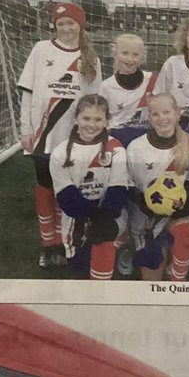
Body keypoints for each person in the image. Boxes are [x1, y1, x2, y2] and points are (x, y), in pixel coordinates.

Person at [17, 2, 102, 269]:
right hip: (43, 136)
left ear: (80, 25)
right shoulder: (42, 49)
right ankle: (47, 245)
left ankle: (64, 242)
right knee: (45, 188)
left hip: (73, 139)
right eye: (60, 23)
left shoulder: (91, 59)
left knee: (64, 189)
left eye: (71, 23)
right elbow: (27, 92)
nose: (65, 28)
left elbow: (94, 104)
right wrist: (26, 129)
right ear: (55, 26)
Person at [49, 95, 128, 281]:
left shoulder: (116, 148)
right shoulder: (61, 152)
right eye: (86, 118)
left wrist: (102, 220)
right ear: (76, 118)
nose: (91, 125)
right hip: (77, 216)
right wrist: (91, 219)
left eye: (98, 119)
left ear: (107, 121)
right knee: (80, 268)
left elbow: (118, 191)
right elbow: (67, 198)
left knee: (104, 237)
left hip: (109, 213)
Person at [126, 93, 189, 282]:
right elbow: (129, 185)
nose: (162, 118)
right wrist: (146, 204)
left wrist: (185, 203)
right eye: (156, 114)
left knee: (186, 233)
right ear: (149, 117)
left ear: (177, 114)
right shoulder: (136, 147)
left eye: (167, 112)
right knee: (152, 280)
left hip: (176, 213)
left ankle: (178, 282)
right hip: (146, 218)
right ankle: (155, 248)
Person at [99, 34, 157, 149]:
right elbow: (101, 118)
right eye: (125, 53)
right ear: (115, 55)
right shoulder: (106, 86)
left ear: (142, 58)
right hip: (117, 139)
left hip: (145, 138)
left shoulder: (153, 80)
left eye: (135, 55)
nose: (130, 59)